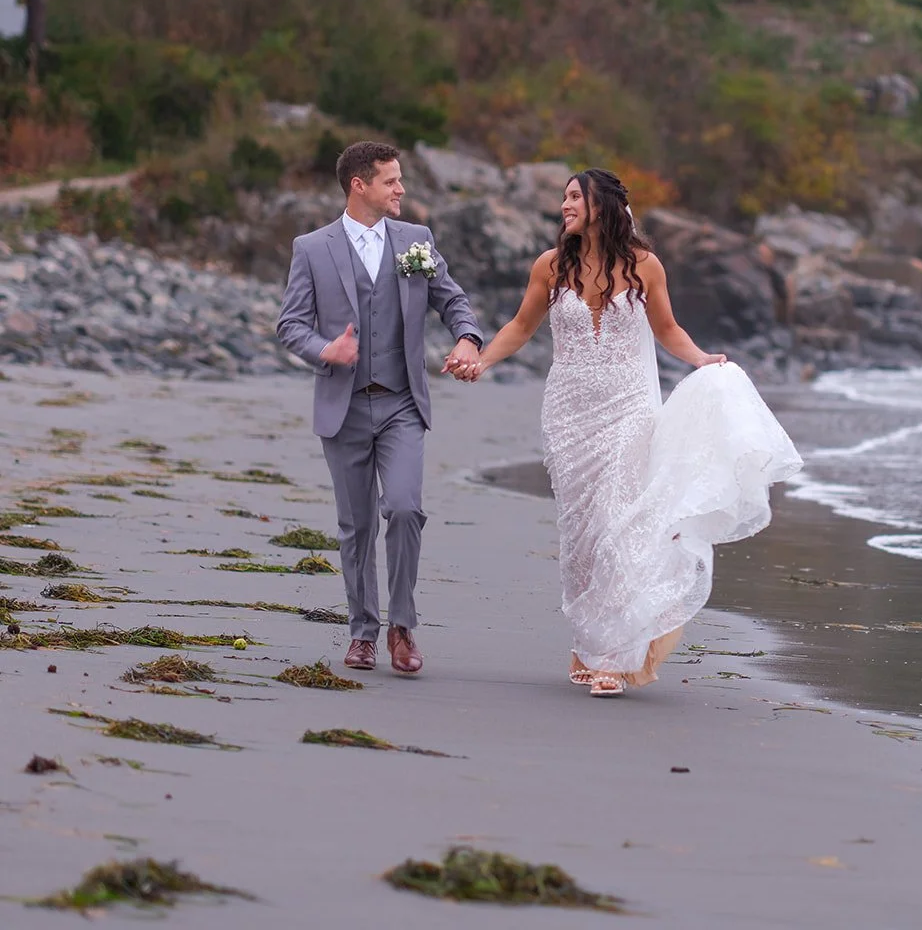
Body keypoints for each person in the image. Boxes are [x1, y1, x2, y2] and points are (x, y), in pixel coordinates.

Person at [456, 168, 800, 696]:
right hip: (569, 413)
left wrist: (702, 358)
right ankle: (586, 641)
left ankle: (613, 658)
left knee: (619, 524)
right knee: (582, 535)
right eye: (564, 197)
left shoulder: (646, 265)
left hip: (630, 408)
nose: (564, 205)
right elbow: (522, 326)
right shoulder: (550, 266)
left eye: (574, 197)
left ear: (603, 205)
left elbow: (667, 330)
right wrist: (481, 360)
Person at [275, 141, 483, 676]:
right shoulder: (312, 248)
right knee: (357, 526)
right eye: (391, 181)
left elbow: (452, 298)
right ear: (359, 185)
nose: (401, 190)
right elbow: (290, 324)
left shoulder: (417, 240)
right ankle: (363, 632)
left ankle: (402, 626)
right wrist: (326, 349)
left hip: (401, 405)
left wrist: (466, 337)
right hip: (342, 409)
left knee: (407, 508)